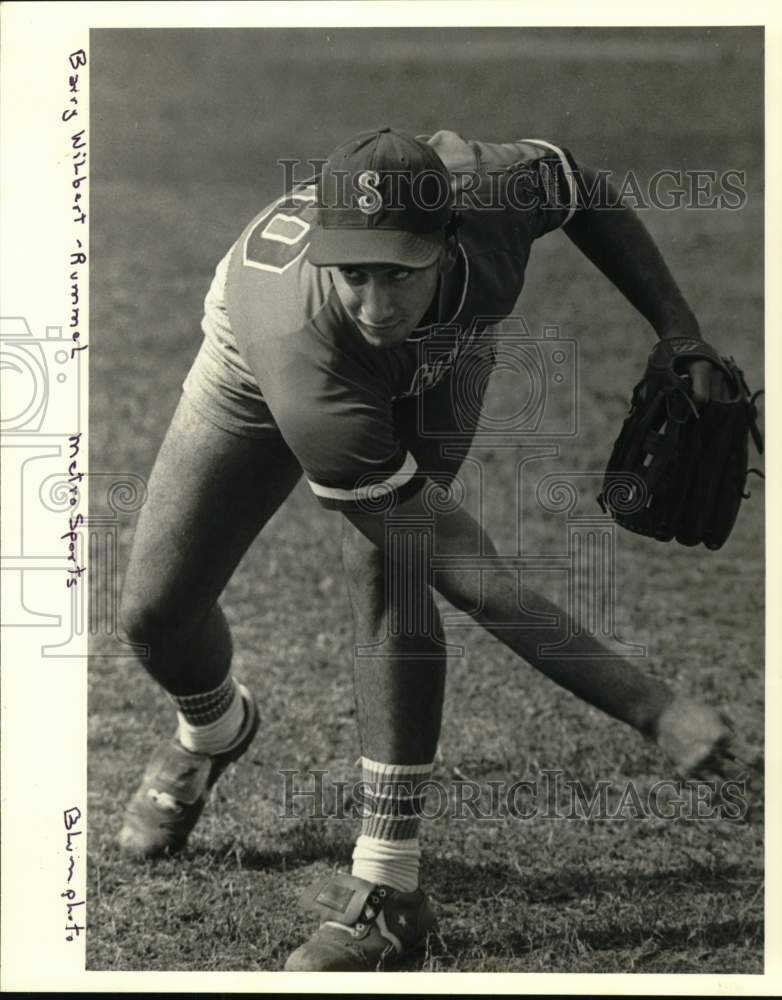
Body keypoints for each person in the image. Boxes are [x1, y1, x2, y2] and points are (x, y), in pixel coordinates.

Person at [117, 127, 757, 972]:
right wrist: (653, 707)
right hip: (263, 360)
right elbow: (477, 576)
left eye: (400, 274)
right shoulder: (301, 336)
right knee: (156, 616)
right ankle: (213, 730)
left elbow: (582, 190)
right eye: (357, 274)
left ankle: (386, 885)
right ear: (325, 253)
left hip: (448, 358)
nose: (378, 306)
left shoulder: (497, 196)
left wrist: (678, 330)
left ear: (451, 237)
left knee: (394, 566)